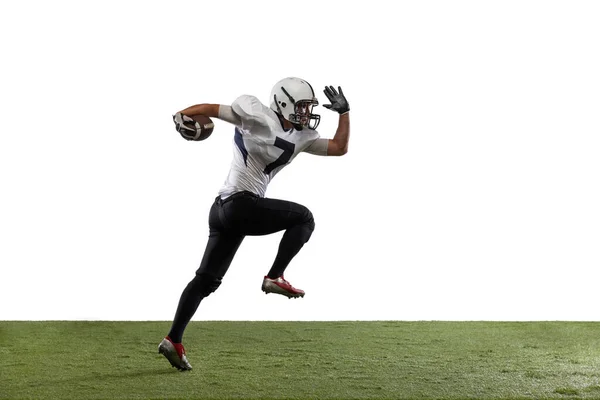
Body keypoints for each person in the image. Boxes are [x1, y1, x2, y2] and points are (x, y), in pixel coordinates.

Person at [158, 77, 350, 370]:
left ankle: (174, 339)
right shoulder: (256, 115)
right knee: (304, 218)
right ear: (283, 103)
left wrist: (344, 114)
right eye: (301, 107)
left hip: (225, 211)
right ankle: (274, 276)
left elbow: (339, 147)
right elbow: (212, 109)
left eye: (308, 108)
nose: (306, 114)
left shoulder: (302, 137)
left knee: (207, 281)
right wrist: (182, 113)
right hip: (238, 205)